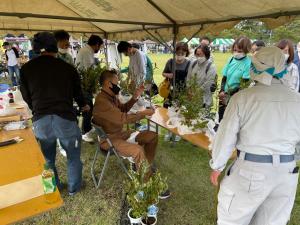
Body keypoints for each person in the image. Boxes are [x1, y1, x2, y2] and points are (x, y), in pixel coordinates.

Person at [210, 46, 300, 225]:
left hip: (251, 169)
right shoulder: (297, 99)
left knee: (232, 219)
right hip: (287, 172)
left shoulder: (243, 98)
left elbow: (226, 135)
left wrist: (217, 165)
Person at [20, 32, 90, 196]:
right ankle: (74, 188)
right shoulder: (67, 68)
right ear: (55, 46)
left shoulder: (26, 69)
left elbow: (26, 95)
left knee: (48, 158)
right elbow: (77, 93)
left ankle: (54, 187)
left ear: (35, 48)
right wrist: (83, 105)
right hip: (65, 118)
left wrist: (36, 108)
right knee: (73, 156)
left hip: (41, 121)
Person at [75, 35, 104, 143]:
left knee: (89, 107)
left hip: (86, 84)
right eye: (100, 46)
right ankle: (84, 132)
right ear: (96, 44)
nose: (99, 49)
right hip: (84, 84)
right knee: (87, 108)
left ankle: (86, 128)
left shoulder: (87, 51)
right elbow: (89, 69)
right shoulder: (86, 51)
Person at [218, 36, 251, 122]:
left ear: (246, 50)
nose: (236, 53)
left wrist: (227, 94)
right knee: (221, 116)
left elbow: (243, 84)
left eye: (240, 51)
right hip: (224, 95)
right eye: (235, 50)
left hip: (235, 96)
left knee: (230, 118)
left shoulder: (248, 63)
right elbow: (224, 77)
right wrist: (222, 90)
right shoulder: (231, 59)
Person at [162, 42, 190, 108]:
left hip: (183, 93)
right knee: (167, 110)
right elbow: (163, 73)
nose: (180, 55)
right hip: (170, 91)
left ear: (186, 53)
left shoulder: (189, 63)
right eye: (178, 53)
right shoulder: (170, 62)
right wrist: (169, 75)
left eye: (182, 53)